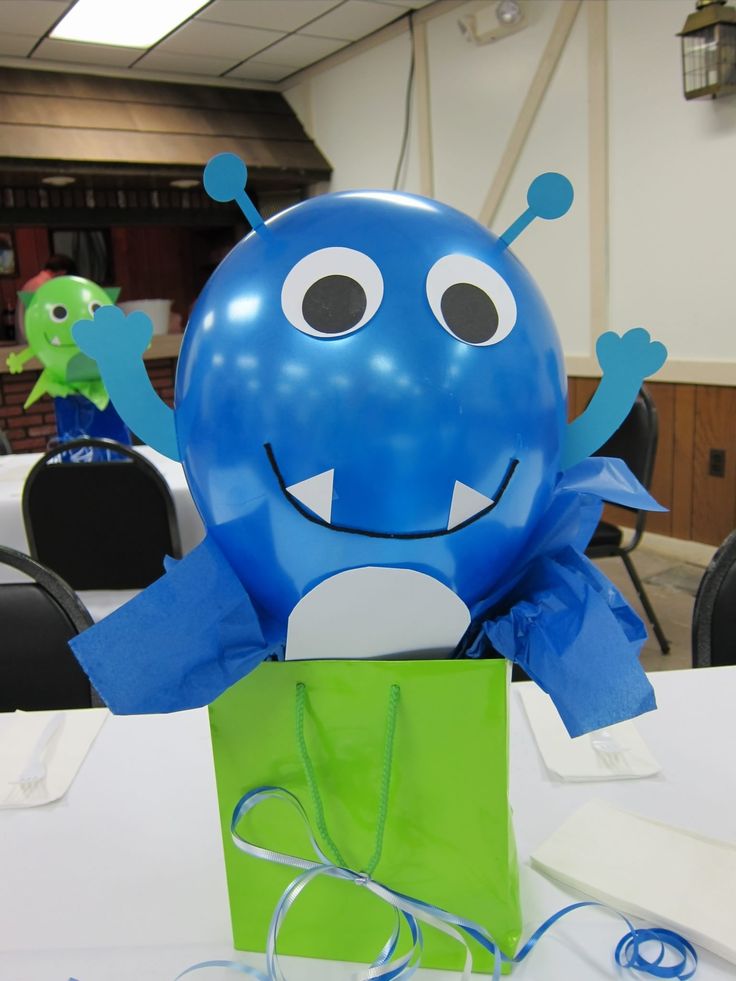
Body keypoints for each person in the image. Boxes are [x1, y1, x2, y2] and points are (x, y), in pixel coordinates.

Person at [15, 254, 78, 342]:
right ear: (62, 272)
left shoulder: (31, 282)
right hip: (37, 340)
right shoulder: (47, 286)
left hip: (25, 338)